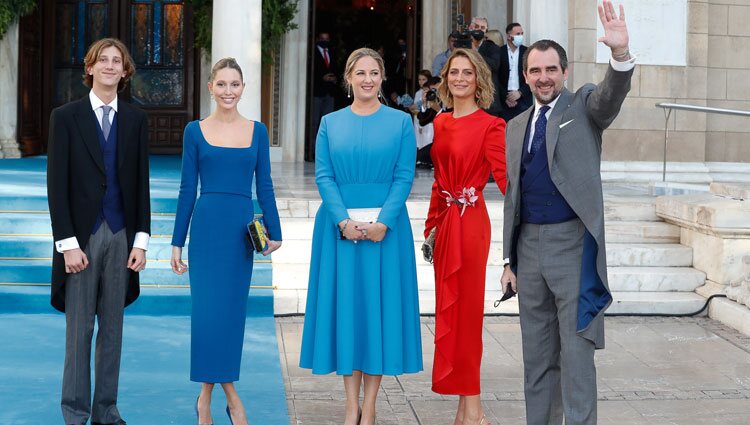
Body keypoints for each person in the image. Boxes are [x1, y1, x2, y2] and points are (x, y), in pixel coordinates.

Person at [501, 2, 634, 424]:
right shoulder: (515, 126)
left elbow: (610, 98)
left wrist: (620, 56)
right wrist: (509, 259)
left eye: (551, 70)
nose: (543, 78)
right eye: (536, 71)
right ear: (526, 75)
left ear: (565, 72)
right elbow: (513, 197)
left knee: (577, 360)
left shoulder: (583, 108)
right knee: (537, 363)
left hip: (572, 248)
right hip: (529, 251)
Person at [300, 47, 423, 425]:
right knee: (348, 314)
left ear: (382, 78)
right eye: (360, 73)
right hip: (339, 234)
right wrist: (341, 220)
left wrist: (385, 221)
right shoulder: (330, 123)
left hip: (386, 234)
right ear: (349, 78)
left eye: (374, 72)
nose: (367, 79)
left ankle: (370, 406)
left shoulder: (401, 123)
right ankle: (350, 405)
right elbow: (324, 175)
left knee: (378, 316)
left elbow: (404, 175)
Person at [170, 58, 283, 425]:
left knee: (231, 317)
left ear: (243, 87)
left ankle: (205, 398)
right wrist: (176, 242)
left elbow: (263, 184)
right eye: (222, 84)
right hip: (205, 231)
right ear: (210, 87)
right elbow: (188, 188)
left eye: (235, 84)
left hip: (239, 233)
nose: (228, 91)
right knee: (206, 316)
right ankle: (230, 397)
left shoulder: (258, 131)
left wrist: (275, 230)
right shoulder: (194, 131)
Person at [47, 37, 151, 425]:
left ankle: (105, 410)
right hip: (82, 238)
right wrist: (67, 244)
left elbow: (141, 183)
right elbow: (56, 186)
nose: (110, 66)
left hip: (121, 233)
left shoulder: (136, 119)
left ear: (125, 72)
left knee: (113, 328)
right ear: (89, 68)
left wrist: (141, 239)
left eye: (117, 61)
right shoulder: (65, 117)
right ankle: (74, 413)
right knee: (79, 332)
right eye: (102, 60)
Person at [424, 48, 507, 425]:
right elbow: (439, 182)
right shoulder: (440, 123)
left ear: (478, 80)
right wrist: (430, 227)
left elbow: (507, 183)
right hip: (446, 226)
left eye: (467, 73)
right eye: (453, 72)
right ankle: (462, 409)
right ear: (446, 78)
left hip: (472, 225)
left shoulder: (492, 126)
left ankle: (474, 411)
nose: (459, 78)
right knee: (450, 314)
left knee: (469, 317)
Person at [308, 31, 338, 162]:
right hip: (317, 93)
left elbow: (336, 68)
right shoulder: (312, 53)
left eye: (327, 39)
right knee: (314, 123)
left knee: (327, 124)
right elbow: (310, 72)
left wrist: (334, 78)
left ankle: (325, 153)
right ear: (317, 39)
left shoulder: (331, 52)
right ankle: (313, 152)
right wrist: (322, 78)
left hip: (329, 93)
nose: (325, 41)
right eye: (322, 39)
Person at [469, 16, 503, 117]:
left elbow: (494, 66)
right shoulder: (463, 47)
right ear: (471, 28)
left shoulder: (493, 48)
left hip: (488, 103)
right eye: (476, 26)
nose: (479, 30)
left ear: (486, 31)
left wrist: (475, 52)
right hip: (469, 99)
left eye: (482, 28)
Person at [498, 23, 532, 122]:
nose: (520, 36)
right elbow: (495, 78)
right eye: (517, 34)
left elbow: (532, 76)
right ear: (509, 36)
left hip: (523, 100)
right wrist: (506, 96)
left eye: (522, 34)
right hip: (504, 101)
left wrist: (520, 93)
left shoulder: (528, 52)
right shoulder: (500, 52)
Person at [415, 76, 443, 169]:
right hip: (436, 144)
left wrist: (439, 110)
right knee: (416, 157)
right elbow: (422, 122)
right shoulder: (435, 102)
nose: (436, 93)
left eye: (438, 90)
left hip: (451, 144)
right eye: (433, 90)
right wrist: (424, 103)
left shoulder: (452, 101)